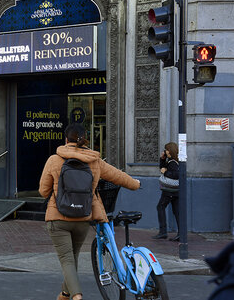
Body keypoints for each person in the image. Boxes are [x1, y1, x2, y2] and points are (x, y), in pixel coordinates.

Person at [39, 123, 140, 300]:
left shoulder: (54, 160)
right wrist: (136, 184)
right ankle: (64, 294)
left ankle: (76, 296)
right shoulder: (95, 161)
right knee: (73, 257)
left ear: (66, 139)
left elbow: (43, 191)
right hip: (83, 217)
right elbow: (117, 176)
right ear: (85, 139)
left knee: (67, 259)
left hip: (58, 218)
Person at [152, 142, 180, 241]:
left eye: (166, 150)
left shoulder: (173, 162)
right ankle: (180, 233)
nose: (165, 151)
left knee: (160, 207)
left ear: (170, 151)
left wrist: (166, 172)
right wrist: (162, 159)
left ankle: (163, 232)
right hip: (175, 191)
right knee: (176, 211)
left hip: (170, 191)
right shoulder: (173, 161)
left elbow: (176, 174)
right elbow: (162, 167)